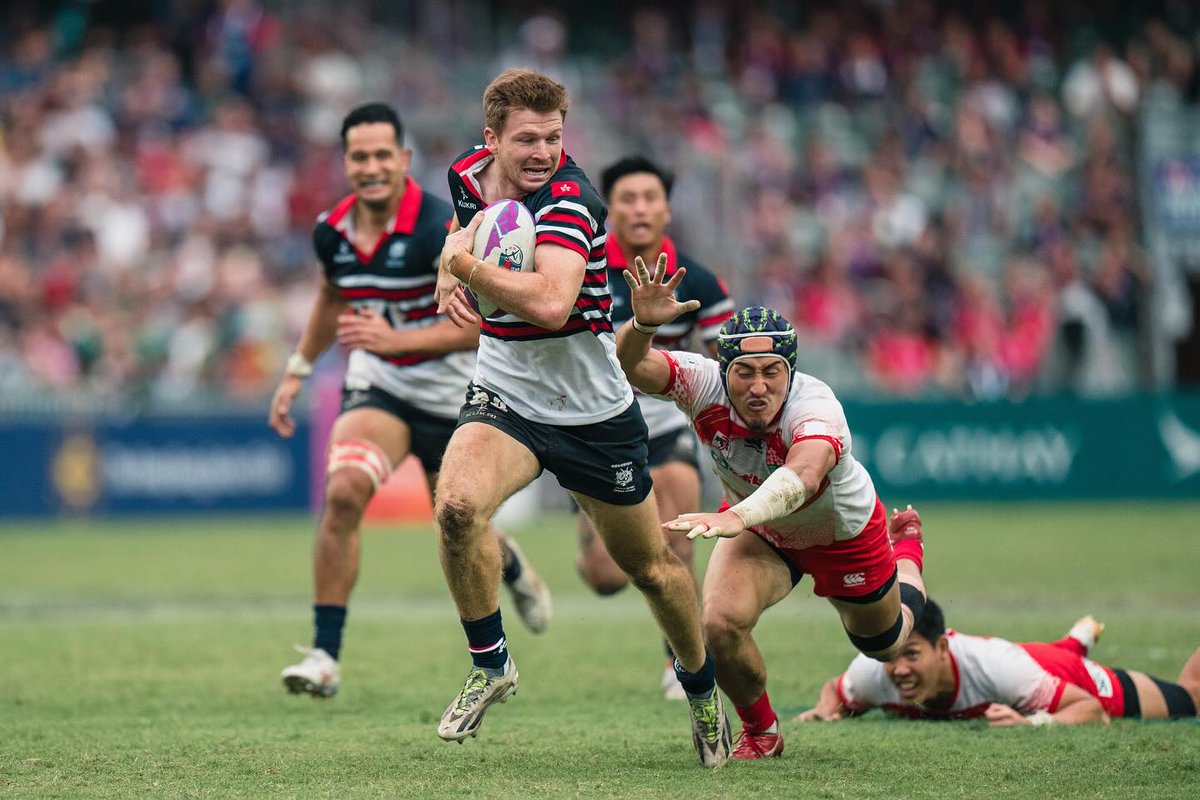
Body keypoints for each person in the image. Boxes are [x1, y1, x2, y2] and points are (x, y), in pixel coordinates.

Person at [432, 69, 732, 768]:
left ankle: (701, 687)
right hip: (506, 388)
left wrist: (463, 268)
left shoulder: (572, 200)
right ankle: (490, 663)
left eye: (554, 137)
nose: (542, 151)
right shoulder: (467, 175)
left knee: (652, 569)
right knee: (455, 507)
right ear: (491, 140)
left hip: (591, 409)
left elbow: (550, 304)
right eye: (527, 139)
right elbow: (462, 226)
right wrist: (451, 265)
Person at [268, 102, 551, 699]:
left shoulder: (439, 228)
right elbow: (330, 297)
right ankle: (324, 655)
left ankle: (514, 566)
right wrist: (296, 370)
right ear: (345, 162)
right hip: (383, 388)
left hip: (457, 396)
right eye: (358, 156)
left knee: (459, 523)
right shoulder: (332, 232)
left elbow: (482, 325)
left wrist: (397, 338)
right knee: (343, 492)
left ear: (403, 160)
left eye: (381, 155)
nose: (370, 167)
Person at [615, 270, 929, 760]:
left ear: (791, 372)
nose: (758, 386)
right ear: (724, 371)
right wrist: (640, 326)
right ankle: (762, 732)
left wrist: (737, 516)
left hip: (841, 533)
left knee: (887, 646)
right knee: (718, 623)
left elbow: (802, 478)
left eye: (771, 372)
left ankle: (907, 552)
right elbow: (633, 366)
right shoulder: (701, 382)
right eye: (745, 372)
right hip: (762, 528)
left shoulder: (816, 405)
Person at [574, 156, 734, 701]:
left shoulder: (700, 280)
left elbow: (725, 370)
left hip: (665, 423)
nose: (639, 208)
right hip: (596, 424)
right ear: (609, 208)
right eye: (627, 199)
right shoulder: (580, 266)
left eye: (649, 198)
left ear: (666, 209)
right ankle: (590, 535)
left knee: (679, 537)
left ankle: (679, 662)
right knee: (606, 576)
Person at [799, 597, 1200, 724]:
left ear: (943, 648)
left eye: (913, 655)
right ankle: (1077, 638)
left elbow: (1090, 709)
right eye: (893, 658)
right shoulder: (876, 666)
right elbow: (836, 691)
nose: (899, 669)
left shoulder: (993, 664)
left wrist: (1033, 723)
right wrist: (823, 710)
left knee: (1191, 698)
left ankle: (1076, 647)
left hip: (1069, 677)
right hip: (1029, 662)